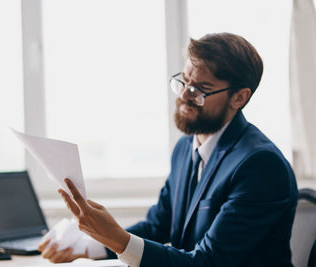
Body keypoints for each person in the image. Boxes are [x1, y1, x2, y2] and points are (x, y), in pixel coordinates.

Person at [38, 32, 298, 266]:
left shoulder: (260, 165)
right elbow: (158, 226)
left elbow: (210, 262)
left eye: (200, 90)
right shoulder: (186, 148)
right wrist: (86, 246)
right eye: (184, 82)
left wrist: (117, 239)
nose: (184, 95)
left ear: (239, 97)